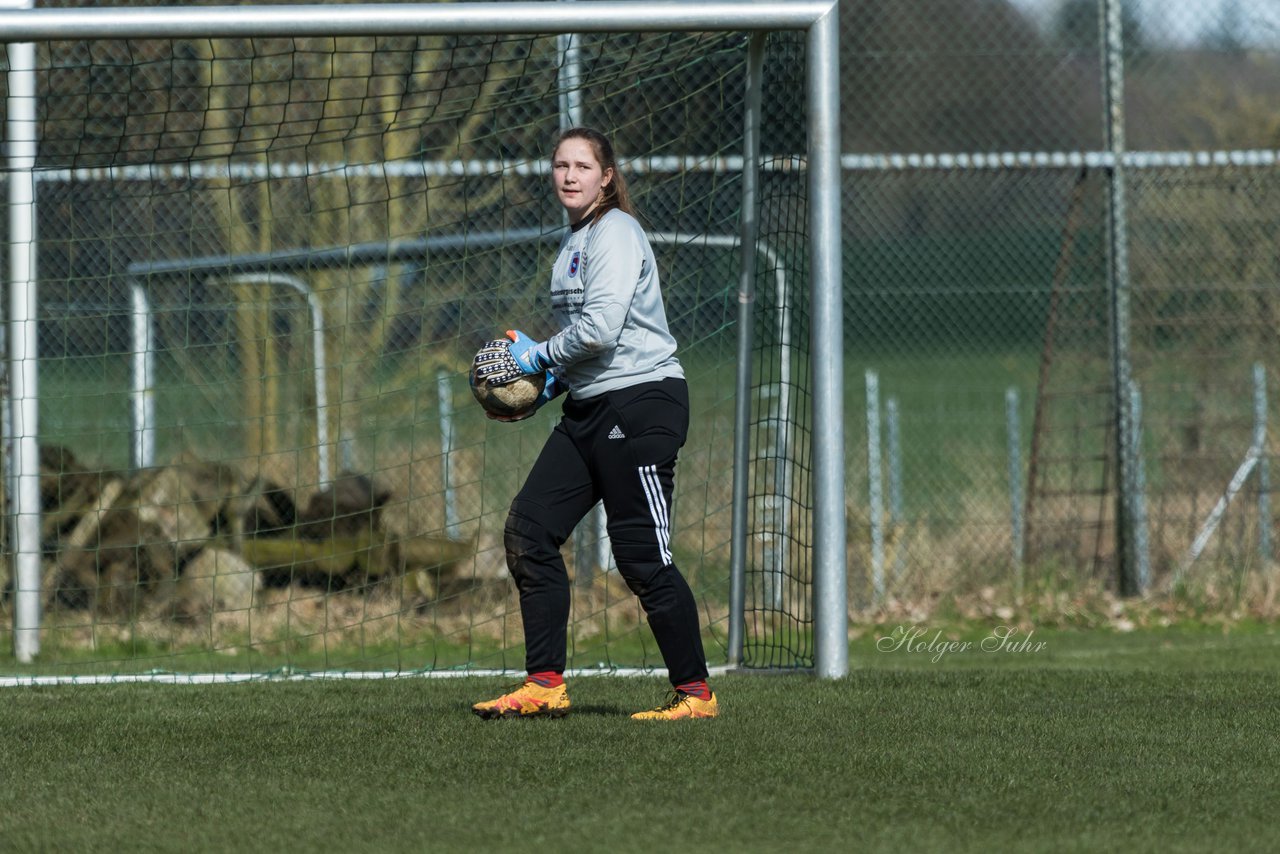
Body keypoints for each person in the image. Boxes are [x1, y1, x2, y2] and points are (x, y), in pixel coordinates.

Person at [470, 126, 717, 721]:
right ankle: (545, 684)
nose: (569, 175)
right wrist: (548, 386)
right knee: (530, 532)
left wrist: (534, 358)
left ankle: (696, 696)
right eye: (560, 165)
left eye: (582, 165)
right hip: (591, 407)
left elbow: (603, 329)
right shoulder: (573, 244)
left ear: (607, 176)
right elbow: (588, 350)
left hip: (641, 402)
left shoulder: (617, 232)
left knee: (640, 556)